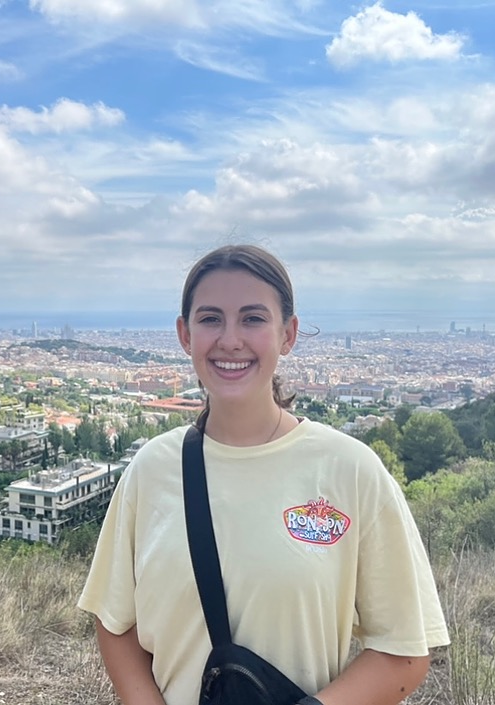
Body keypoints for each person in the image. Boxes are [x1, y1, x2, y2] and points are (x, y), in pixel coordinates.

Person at [78, 244, 450, 705]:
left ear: (288, 334)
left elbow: (404, 651)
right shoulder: (152, 469)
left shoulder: (351, 470)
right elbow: (115, 620)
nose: (230, 339)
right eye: (211, 318)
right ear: (184, 334)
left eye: (252, 318)